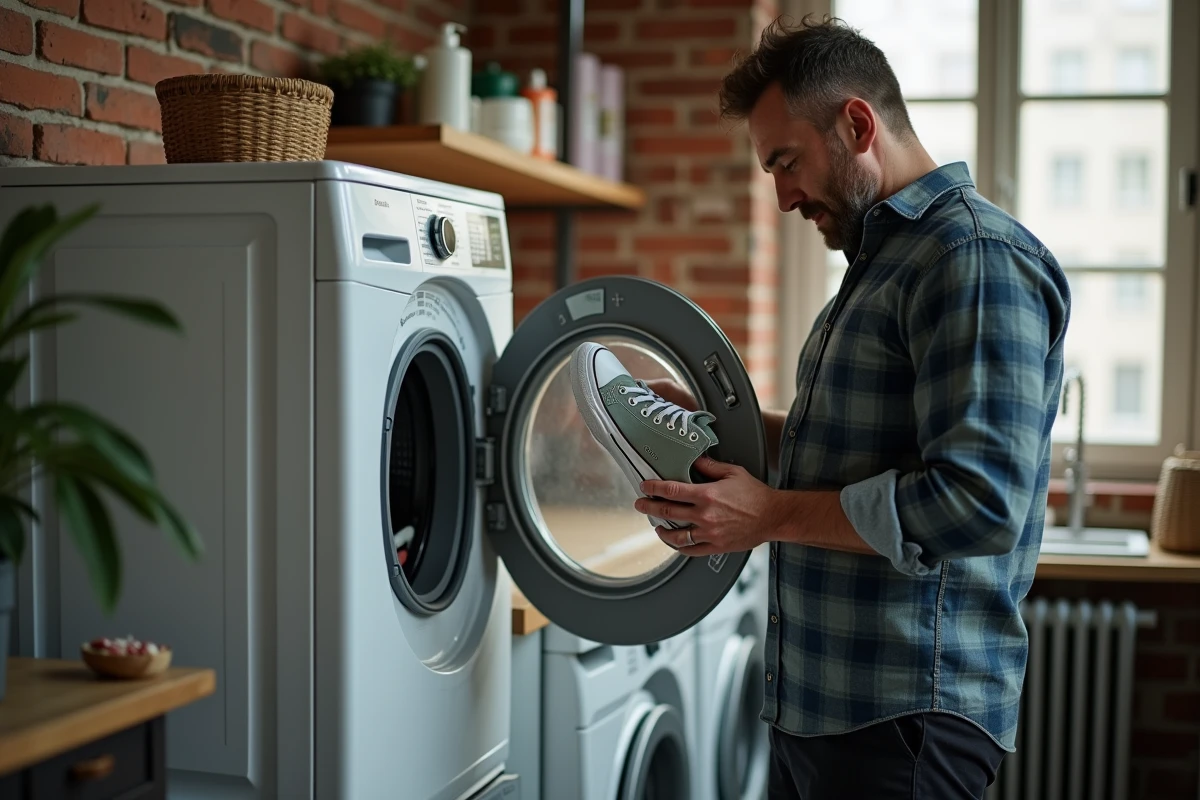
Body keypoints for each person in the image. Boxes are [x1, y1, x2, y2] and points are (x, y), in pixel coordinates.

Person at [635, 15, 1071, 800]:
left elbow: (977, 504)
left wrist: (767, 516)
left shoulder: (971, 257)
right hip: (825, 709)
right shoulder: (883, 262)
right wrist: (710, 421)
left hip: (905, 720)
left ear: (857, 124)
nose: (781, 196)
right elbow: (839, 447)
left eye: (787, 161)